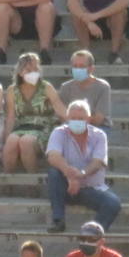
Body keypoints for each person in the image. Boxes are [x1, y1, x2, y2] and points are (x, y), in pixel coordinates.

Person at [45, 99, 119, 231]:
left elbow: (98, 162)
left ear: (89, 119)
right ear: (67, 118)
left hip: (90, 188)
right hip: (65, 187)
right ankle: (58, 221)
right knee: (54, 173)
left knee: (112, 203)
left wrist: (81, 174)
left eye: (81, 118)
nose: (77, 121)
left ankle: (91, 234)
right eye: (73, 118)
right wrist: (69, 174)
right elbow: (53, 156)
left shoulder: (99, 135)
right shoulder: (59, 132)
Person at [2, 51, 66, 174]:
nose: (33, 72)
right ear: (20, 72)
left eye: (35, 69)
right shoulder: (12, 90)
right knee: (11, 141)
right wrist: (5, 139)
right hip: (22, 127)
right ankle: (7, 181)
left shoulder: (46, 87)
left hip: (43, 128)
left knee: (26, 141)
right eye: (28, 69)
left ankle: (33, 179)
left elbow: (60, 109)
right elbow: (11, 117)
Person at [57, 48, 112, 132]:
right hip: (70, 128)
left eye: (82, 66)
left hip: (98, 128)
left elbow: (98, 119)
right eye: (75, 66)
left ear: (91, 69)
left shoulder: (103, 87)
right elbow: (62, 116)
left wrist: (76, 121)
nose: (78, 69)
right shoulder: (65, 87)